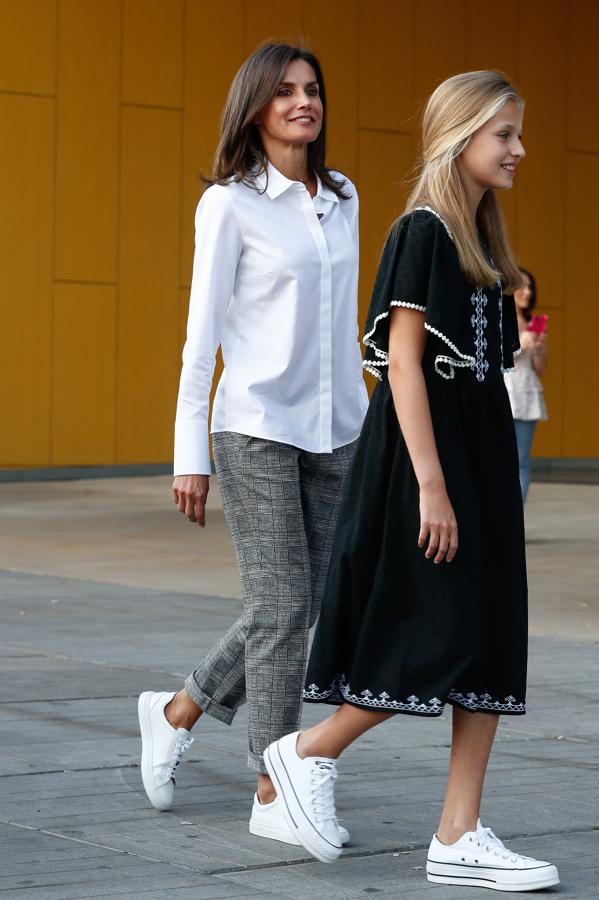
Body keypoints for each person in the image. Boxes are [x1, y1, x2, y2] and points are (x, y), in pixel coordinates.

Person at [264, 71, 560, 892]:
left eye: (517, 133)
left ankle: (458, 833)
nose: (518, 149)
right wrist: (431, 484)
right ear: (460, 137)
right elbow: (400, 365)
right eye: (504, 134)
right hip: (428, 458)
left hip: (481, 453)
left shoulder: (484, 246)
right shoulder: (422, 231)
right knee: (438, 628)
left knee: (490, 633)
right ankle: (307, 751)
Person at [137, 43, 367, 846]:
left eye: (312, 89)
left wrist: (371, 426)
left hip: (338, 429)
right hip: (255, 426)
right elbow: (200, 338)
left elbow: (344, 323)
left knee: (299, 605)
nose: (303, 102)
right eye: (285, 92)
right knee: (279, 607)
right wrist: (188, 453)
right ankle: (273, 786)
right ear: (256, 108)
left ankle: (178, 709)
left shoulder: (341, 197)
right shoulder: (228, 205)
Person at [505, 268, 548, 502]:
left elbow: (539, 367)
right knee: (498, 458)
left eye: (530, 286)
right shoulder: (499, 319)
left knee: (522, 460)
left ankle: (517, 516)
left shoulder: (535, 322)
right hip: (504, 390)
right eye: (522, 286)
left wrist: (539, 348)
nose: (527, 291)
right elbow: (495, 358)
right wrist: (522, 343)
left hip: (527, 392)